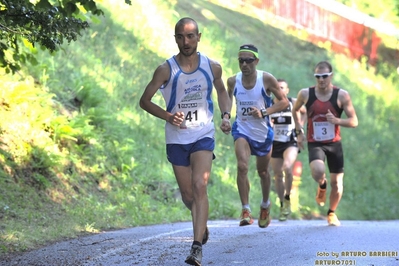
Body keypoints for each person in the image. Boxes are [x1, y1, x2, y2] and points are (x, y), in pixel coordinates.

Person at [139, 17, 231, 266]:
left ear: (199, 37)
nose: (186, 41)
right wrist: (169, 116)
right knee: (188, 195)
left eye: (190, 36)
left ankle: (196, 247)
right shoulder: (166, 69)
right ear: (175, 39)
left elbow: (222, 91)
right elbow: (145, 101)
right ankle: (202, 224)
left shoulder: (212, 66)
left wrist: (225, 116)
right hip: (177, 138)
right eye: (180, 36)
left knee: (200, 187)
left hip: (203, 134)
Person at [227, 44, 289, 228]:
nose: (244, 64)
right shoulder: (232, 81)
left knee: (263, 172)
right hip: (242, 129)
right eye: (241, 60)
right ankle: (245, 209)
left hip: (262, 132)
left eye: (249, 60)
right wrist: (224, 117)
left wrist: (264, 111)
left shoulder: (266, 79)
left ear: (256, 61)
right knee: (242, 166)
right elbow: (226, 99)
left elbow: (284, 102)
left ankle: (265, 205)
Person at [292, 61, 358, 226]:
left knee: (337, 183)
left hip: (335, 144)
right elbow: (294, 109)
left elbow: (354, 121)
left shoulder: (341, 95)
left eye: (324, 76)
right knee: (318, 170)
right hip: (316, 142)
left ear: (331, 76)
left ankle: (331, 212)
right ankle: (322, 184)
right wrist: (299, 131)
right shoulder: (306, 94)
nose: (321, 80)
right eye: (318, 76)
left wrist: (336, 120)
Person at [270, 79, 306, 222]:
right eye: (277, 88)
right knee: (278, 175)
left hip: (290, 141)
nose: (280, 90)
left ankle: (287, 197)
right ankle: (282, 204)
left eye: (282, 87)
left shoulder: (292, 102)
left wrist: (300, 126)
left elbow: (305, 111)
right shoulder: (269, 104)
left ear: (287, 90)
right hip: (275, 142)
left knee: (287, 167)